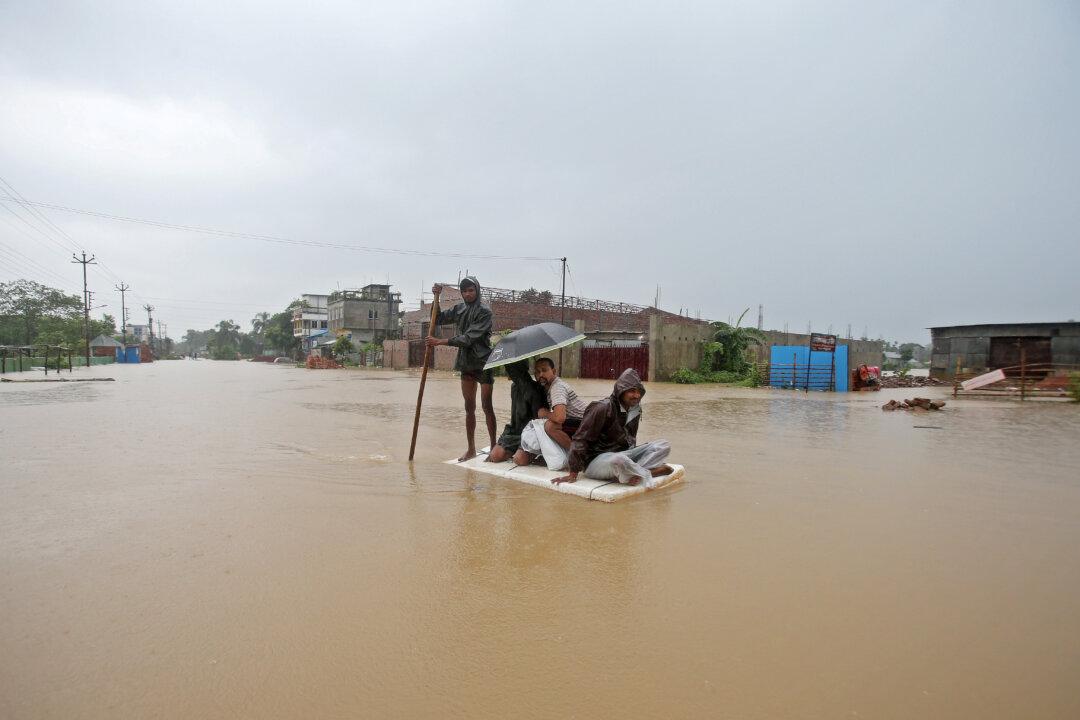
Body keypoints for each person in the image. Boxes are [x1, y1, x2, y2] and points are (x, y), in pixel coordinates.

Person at [552, 368, 672, 487]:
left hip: (623, 454)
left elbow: (631, 438)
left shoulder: (635, 409)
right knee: (619, 460)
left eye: (638, 391)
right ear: (621, 391)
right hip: (596, 461)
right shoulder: (602, 408)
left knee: (663, 445)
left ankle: (634, 472)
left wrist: (634, 457)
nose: (636, 395)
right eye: (632, 391)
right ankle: (646, 471)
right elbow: (580, 439)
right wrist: (573, 472)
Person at [426, 277, 497, 461]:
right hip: (466, 362)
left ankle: (494, 446)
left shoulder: (485, 311)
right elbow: (439, 319)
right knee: (469, 407)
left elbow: (469, 338)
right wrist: (437, 298)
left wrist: (440, 341)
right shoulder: (460, 308)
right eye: (464, 291)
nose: (468, 294)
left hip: (483, 361)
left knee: (487, 406)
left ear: (477, 290)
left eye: (471, 290)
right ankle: (471, 449)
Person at [513, 357, 588, 468]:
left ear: (554, 371)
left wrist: (544, 413)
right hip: (577, 422)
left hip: (584, 423)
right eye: (537, 372)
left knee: (550, 426)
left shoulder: (557, 388)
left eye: (544, 370)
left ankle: (578, 457)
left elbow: (559, 418)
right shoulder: (547, 388)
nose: (541, 375)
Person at [486, 360, 546, 463]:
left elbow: (539, 421)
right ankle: (517, 449)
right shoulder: (514, 387)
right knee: (495, 456)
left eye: (509, 369)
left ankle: (533, 453)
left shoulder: (536, 389)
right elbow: (514, 417)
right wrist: (504, 438)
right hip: (515, 431)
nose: (508, 372)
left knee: (519, 460)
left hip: (531, 433)